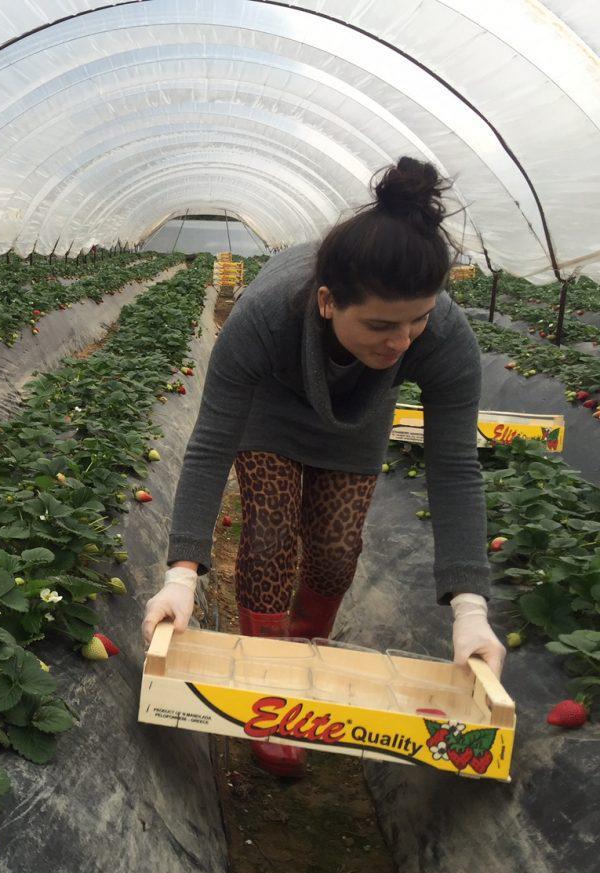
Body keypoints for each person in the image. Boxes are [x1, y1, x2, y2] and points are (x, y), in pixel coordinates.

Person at [142, 157, 505, 779]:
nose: (402, 340)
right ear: (328, 301)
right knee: (267, 540)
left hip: (358, 423)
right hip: (272, 412)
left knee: (336, 552)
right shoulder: (264, 316)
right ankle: (264, 685)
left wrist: (471, 607)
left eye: (417, 319)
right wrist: (182, 573)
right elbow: (209, 443)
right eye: (381, 325)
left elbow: (453, 467)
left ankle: (305, 664)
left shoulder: (441, 336)